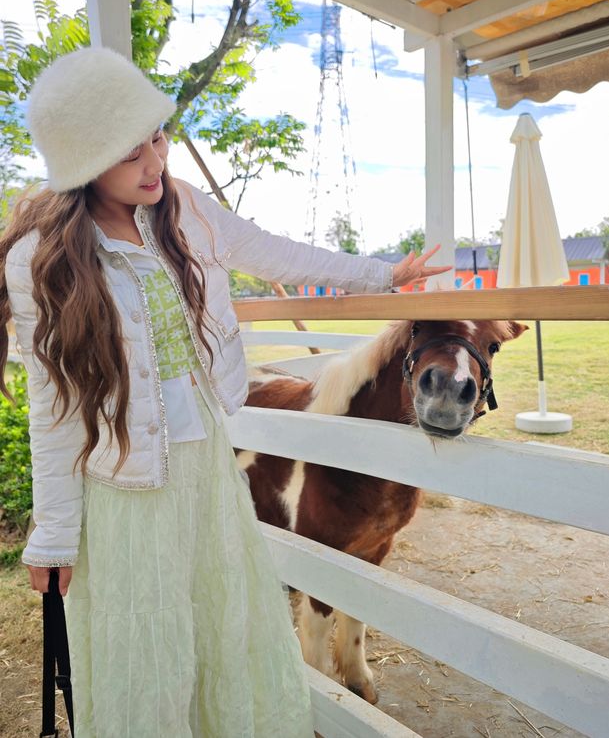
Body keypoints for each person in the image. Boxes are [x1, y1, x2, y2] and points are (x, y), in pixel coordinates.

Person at [0, 46, 450, 738]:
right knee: (146, 642)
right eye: (130, 152)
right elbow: (53, 404)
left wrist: (383, 273)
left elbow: (276, 252)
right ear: (87, 161)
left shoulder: (184, 210)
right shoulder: (45, 259)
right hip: (124, 493)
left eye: (157, 135)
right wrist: (55, 536)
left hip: (207, 467)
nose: (155, 161)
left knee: (219, 625)